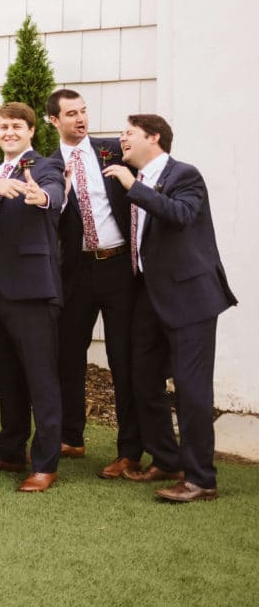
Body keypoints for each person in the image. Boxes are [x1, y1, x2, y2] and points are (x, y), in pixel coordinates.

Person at [103, 114, 236, 502]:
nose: (121, 139)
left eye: (129, 133)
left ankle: (201, 479)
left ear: (154, 137)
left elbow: (179, 216)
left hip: (190, 298)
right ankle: (166, 459)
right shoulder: (138, 179)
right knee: (142, 379)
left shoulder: (185, 175)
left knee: (192, 390)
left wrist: (131, 186)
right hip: (149, 296)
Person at [46, 89, 142, 478]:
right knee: (68, 355)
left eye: (83, 112)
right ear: (54, 121)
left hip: (118, 267)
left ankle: (130, 451)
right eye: (71, 114)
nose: (80, 119)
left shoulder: (112, 150)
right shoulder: (46, 165)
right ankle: (72, 436)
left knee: (124, 357)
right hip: (76, 272)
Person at [0, 102, 65, 493]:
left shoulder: (43, 167)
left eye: (16, 126)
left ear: (31, 131)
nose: (8, 131)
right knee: (6, 374)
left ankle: (44, 463)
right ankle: (10, 448)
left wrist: (40, 196)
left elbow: (55, 194)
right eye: (3, 126)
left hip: (30, 289)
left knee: (40, 378)